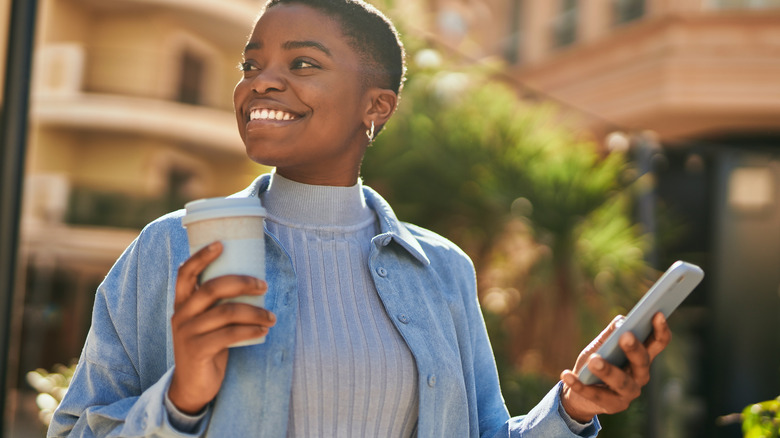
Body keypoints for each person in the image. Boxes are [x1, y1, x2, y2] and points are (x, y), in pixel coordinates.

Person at [49, 0, 672, 436]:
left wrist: (572, 409)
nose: (260, 83)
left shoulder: (440, 270)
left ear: (376, 105)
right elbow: (75, 431)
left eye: (302, 64)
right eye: (251, 65)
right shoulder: (172, 248)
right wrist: (180, 399)